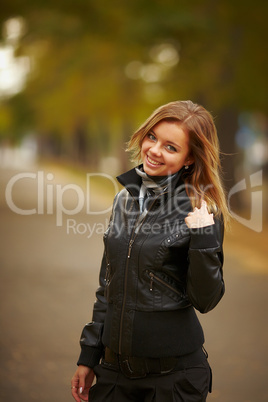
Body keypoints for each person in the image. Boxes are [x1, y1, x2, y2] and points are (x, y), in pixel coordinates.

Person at [71, 100, 230, 402]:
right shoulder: (124, 200)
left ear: (189, 159)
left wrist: (203, 234)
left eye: (171, 147)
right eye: (152, 137)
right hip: (114, 373)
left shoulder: (201, 210)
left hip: (173, 381)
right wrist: (89, 355)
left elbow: (206, 299)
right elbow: (109, 285)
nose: (154, 150)